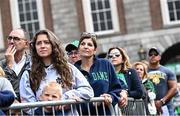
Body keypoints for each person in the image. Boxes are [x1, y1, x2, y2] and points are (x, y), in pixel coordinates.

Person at [19, 29, 94, 115]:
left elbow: (88, 90)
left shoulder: (68, 68)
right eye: (39, 43)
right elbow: (28, 105)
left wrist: (66, 98)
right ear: (35, 47)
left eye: (46, 42)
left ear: (53, 45)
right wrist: (46, 110)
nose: (42, 46)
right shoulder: (28, 73)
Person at [74, 32, 128, 115]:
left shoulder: (105, 64)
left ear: (95, 50)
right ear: (78, 49)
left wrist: (111, 97)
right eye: (83, 44)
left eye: (90, 44)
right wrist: (94, 103)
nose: (86, 46)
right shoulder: (73, 70)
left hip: (106, 112)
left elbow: (116, 88)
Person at [0, 28, 31, 101]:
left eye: (16, 39)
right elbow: (3, 88)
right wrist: (9, 66)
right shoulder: (1, 65)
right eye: (9, 38)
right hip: (8, 109)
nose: (11, 41)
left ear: (26, 44)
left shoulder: (32, 63)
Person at [147, 47, 177, 115]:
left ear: (160, 57)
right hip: (149, 106)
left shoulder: (168, 71)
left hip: (166, 106)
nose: (153, 56)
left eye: (155, 54)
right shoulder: (143, 72)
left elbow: (174, 88)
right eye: (150, 54)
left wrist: (162, 101)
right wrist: (152, 102)